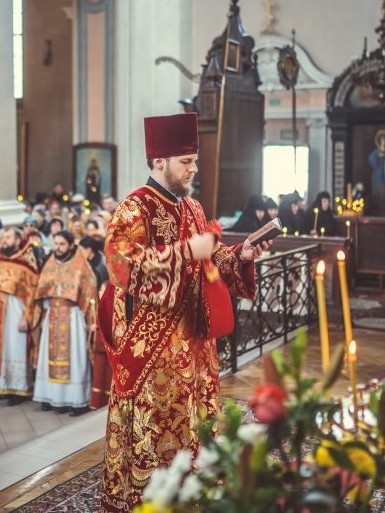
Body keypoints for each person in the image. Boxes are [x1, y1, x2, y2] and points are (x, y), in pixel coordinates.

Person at [99, 113, 271, 512]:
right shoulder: (133, 210)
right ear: (159, 161)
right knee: (157, 440)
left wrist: (239, 255)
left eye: (195, 160)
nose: (194, 168)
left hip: (194, 348)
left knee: (198, 433)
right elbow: (121, 266)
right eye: (186, 161)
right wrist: (183, 252)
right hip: (153, 359)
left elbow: (206, 268)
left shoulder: (192, 207)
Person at [31, 230, 98, 415]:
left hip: (72, 316)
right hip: (52, 314)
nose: (58, 248)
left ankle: (75, 401)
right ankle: (51, 397)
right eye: (56, 243)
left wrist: (90, 321)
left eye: (62, 244)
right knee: (49, 359)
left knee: (74, 358)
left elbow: (90, 289)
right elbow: (42, 290)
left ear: (70, 245)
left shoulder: (80, 265)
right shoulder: (50, 263)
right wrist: (44, 311)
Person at [0, 226, 39, 404]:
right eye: (3, 238)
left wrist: (27, 317)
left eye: (8, 237)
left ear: (18, 241)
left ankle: (16, 389)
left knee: (13, 349)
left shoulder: (26, 265)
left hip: (14, 314)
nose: (4, 241)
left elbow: (32, 294)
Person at [79, 236, 111, 410]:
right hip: (92, 314)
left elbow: (103, 291)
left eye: (82, 249)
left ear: (89, 249)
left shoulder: (100, 268)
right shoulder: (87, 265)